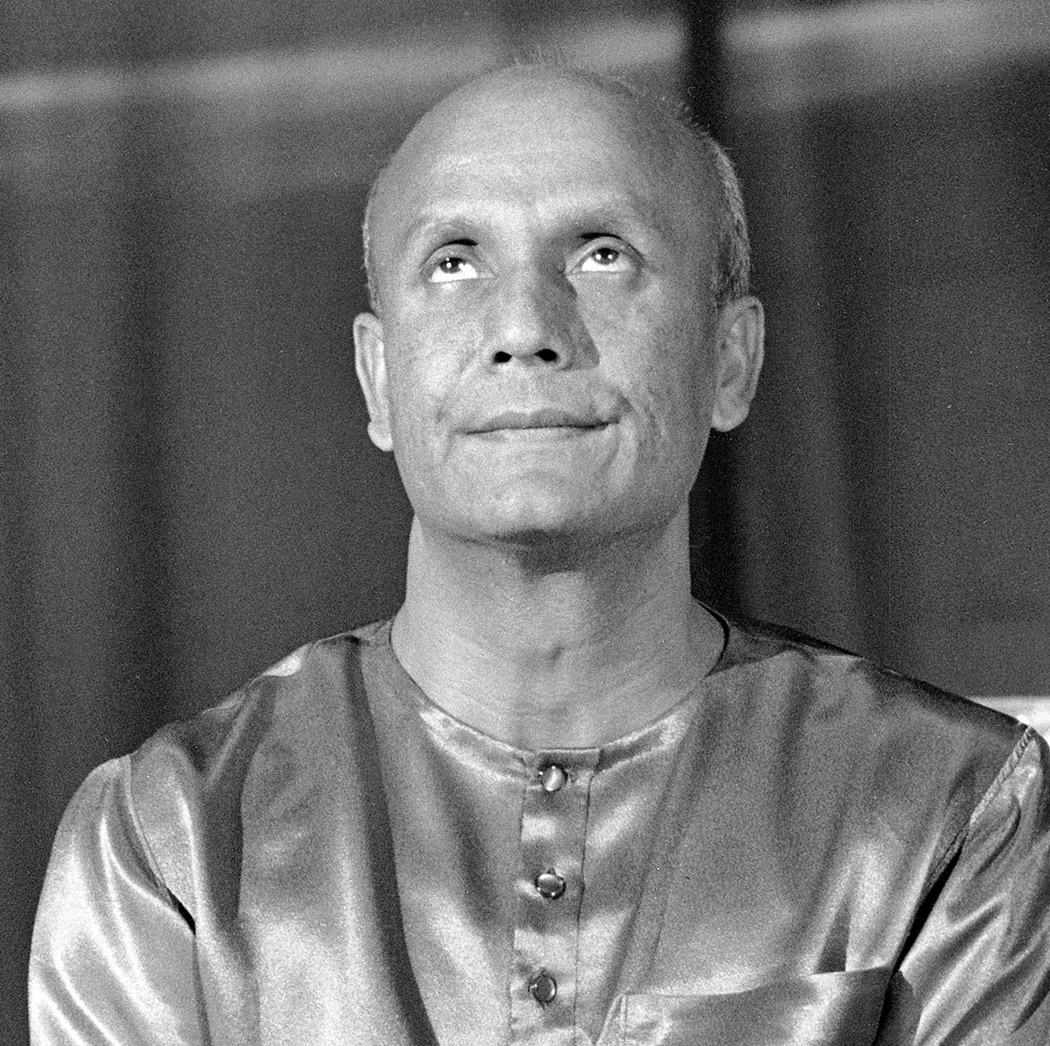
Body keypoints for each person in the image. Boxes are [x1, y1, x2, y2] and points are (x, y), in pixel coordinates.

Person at [29, 63, 1050, 1046]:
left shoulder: (948, 808)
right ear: (378, 379)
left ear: (730, 359)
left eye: (603, 254)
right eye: (454, 262)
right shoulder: (175, 839)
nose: (524, 326)